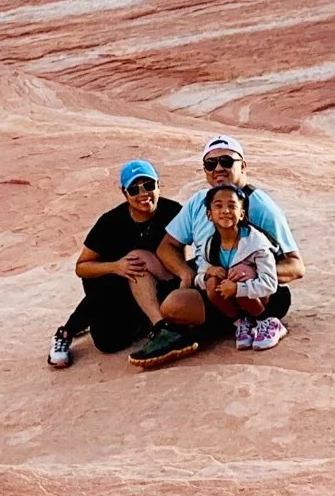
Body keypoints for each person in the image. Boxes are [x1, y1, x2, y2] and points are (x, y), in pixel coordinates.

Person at [130, 136, 304, 367]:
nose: (218, 168)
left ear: (243, 166)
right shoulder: (200, 201)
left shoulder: (259, 205)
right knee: (161, 287)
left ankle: (215, 329)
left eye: (226, 161)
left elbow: (296, 266)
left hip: (256, 291)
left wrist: (252, 274)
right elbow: (167, 246)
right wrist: (186, 274)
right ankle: (219, 324)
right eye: (211, 164)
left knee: (186, 299)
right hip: (215, 283)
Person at [49, 159, 181, 367]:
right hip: (112, 287)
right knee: (109, 343)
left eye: (148, 185)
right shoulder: (110, 223)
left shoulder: (173, 211)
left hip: (156, 277)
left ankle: (158, 325)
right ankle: (66, 331)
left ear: (158, 185)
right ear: (124, 193)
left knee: (138, 263)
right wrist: (116, 266)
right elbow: (81, 266)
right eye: (134, 189)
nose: (143, 194)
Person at [188, 182, 283, 351]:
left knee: (241, 272)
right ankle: (242, 322)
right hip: (233, 299)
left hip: (262, 299)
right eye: (218, 206)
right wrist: (208, 272)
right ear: (209, 215)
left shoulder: (256, 243)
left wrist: (238, 288)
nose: (225, 211)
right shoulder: (210, 244)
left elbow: (270, 283)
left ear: (241, 214)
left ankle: (267, 322)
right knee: (211, 281)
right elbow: (199, 278)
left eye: (232, 206)